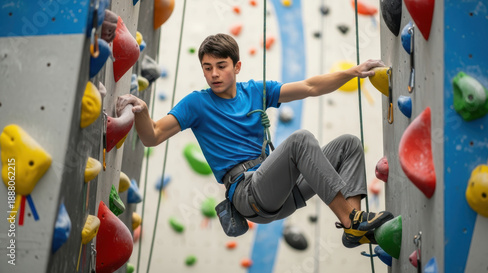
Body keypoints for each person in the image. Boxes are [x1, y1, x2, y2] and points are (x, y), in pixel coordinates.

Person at [117, 33, 393, 248]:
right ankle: (351, 219)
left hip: (283, 190)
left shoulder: (256, 91)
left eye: (221, 66)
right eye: (207, 67)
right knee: (300, 140)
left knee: (349, 143)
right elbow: (152, 135)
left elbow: (310, 87)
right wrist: (141, 109)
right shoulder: (196, 104)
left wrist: (353, 72)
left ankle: (353, 228)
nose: (214, 74)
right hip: (248, 194)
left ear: (237, 66)